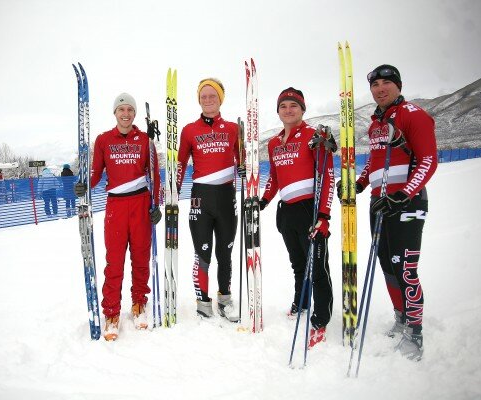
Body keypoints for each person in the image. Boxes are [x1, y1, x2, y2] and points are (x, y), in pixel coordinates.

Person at [350, 65, 437, 361]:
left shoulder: (413, 114)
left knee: (405, 268)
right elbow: (375, 161)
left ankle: (415, 332)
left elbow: (428, 161)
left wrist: (403, 194)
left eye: (387, 82)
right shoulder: (377, 123)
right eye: (375, 85)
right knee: (387, 263)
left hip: (407, 204)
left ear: (398, 85)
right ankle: (401, 317)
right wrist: (360, 183)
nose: (380, 89)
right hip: (380, 203)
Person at [74, 93, 161, 341]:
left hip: (141, 203)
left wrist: (157, 205)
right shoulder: (104, 140)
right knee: (114, 261)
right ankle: (111, 312)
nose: (126, 114)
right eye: (121, 110)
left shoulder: (145, 140)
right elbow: (95, 172)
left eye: (130, 110)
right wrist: (84, 186)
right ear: (115, 113)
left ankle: (139, 303)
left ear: (134, 114)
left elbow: (155, 175)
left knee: (141, 257)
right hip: (116, 206)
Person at [259, 88, 335, 348]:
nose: (288, 110)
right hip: (287, 212)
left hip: (309, 210)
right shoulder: (274, 143)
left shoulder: (314, 136)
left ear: (302, 110)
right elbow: (276, 178)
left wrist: (324, 215)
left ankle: (321, 318)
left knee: (317, 267)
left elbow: (327, 176)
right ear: (278, 111)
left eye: (294, 105)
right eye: (284, 106)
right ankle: (301, 302)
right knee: (298, 264)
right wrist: (264, 201)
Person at [177, 78, 244, 322]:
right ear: (199, 100)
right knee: (202, 253)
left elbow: (242, 160)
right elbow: (181, 163)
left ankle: (225, 299)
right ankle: (203, 301)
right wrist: (173, 191)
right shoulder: (189, 130)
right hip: (200, 199)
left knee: (225, 253)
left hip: (226, 197)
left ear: (220, 99)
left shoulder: (232, 129)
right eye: (203, 96)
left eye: (212, 96)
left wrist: (247, 172)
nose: (208, 100)